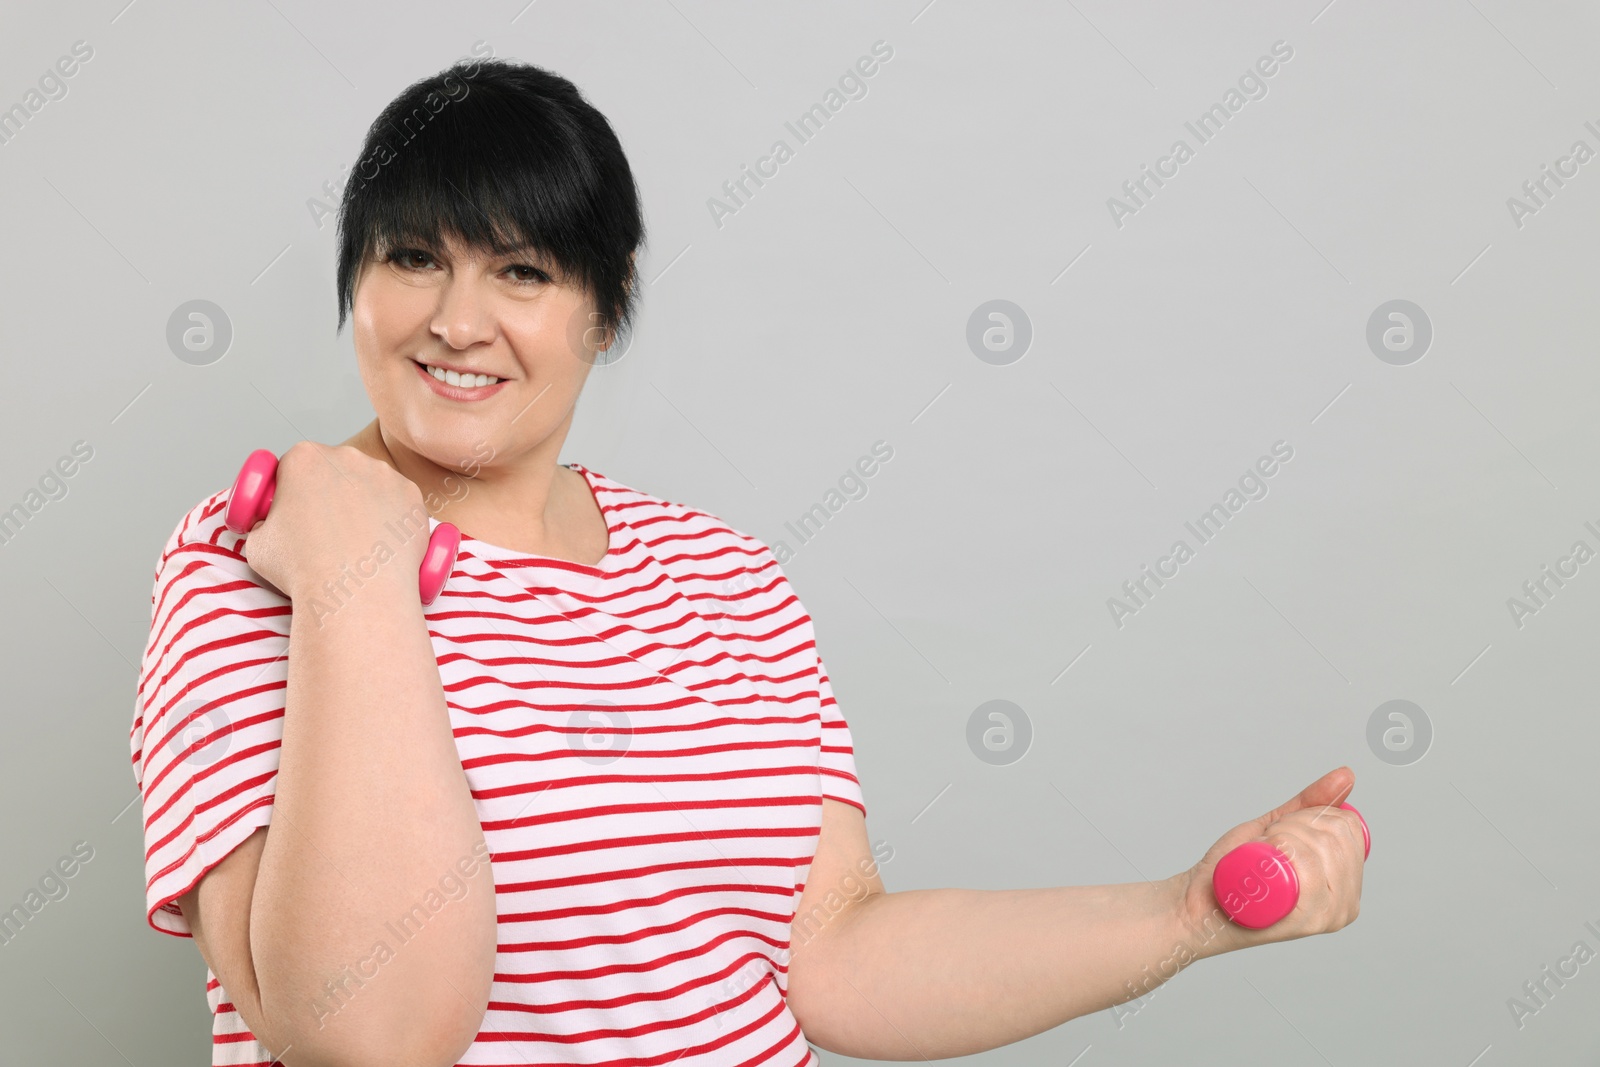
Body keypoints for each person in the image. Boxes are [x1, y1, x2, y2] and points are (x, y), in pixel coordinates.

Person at [130, 56, 1366, 1067]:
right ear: (353, 281)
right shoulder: (252, 558)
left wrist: (1182, 912)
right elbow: (369, 1035)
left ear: (605, 312)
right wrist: (360, 576)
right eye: (411, 258)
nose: (457, 320)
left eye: (521, 271)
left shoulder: (721, 574)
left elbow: (834, 954)